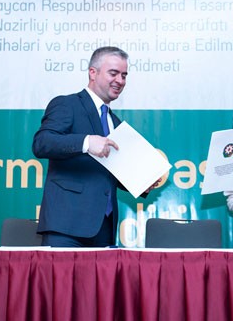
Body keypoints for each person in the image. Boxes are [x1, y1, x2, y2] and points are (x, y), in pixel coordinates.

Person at [33, 46, 155, 247]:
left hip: (104, 229)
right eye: (113, 73)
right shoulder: (67, 104)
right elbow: (42, 143)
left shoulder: (115, 122)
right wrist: (87, 142)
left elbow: (110, 172)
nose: (120, 80)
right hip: (66, 227)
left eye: (124, 75)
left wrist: (141, 183)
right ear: (93, 72)